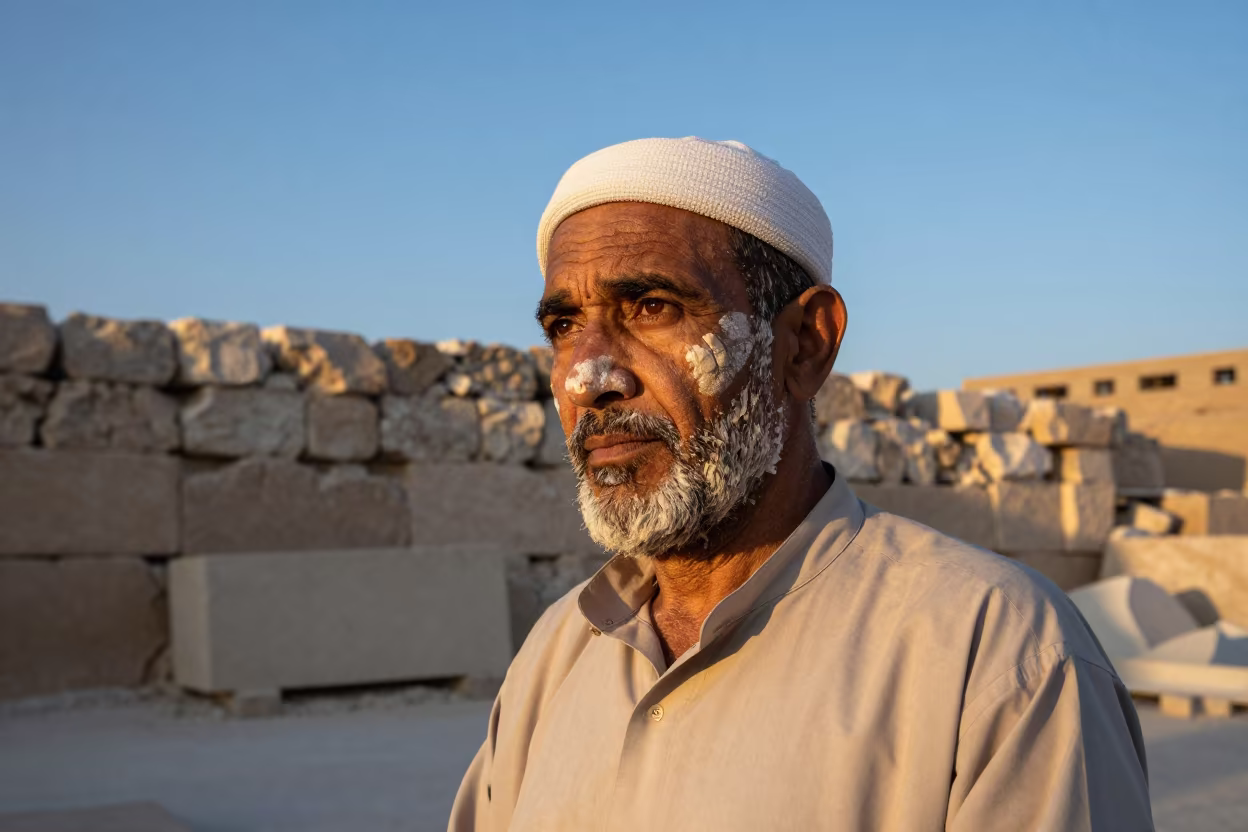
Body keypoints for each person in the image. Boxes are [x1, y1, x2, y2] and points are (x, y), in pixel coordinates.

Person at [448, 137, 1153, 831]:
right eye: (565, 326)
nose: (588, 377)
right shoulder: (553, 655)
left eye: (652, 307)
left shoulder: (996, 652)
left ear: (804, 344)